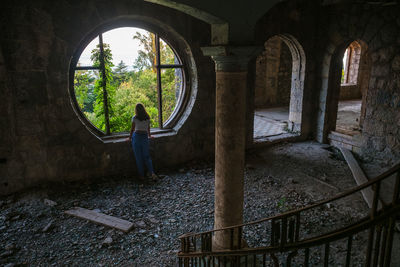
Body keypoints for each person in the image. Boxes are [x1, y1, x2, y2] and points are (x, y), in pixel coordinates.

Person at [128, 103, 158, 181]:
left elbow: (132, 129)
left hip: (137, 137)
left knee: (138, 157)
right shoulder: (147, 118)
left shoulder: (135, 118)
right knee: (147, 156)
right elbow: (148, 128)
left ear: (136, 110)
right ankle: (152, 173)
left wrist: (129, 138)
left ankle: (142, 175)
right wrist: (149, 135)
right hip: (145, 137)